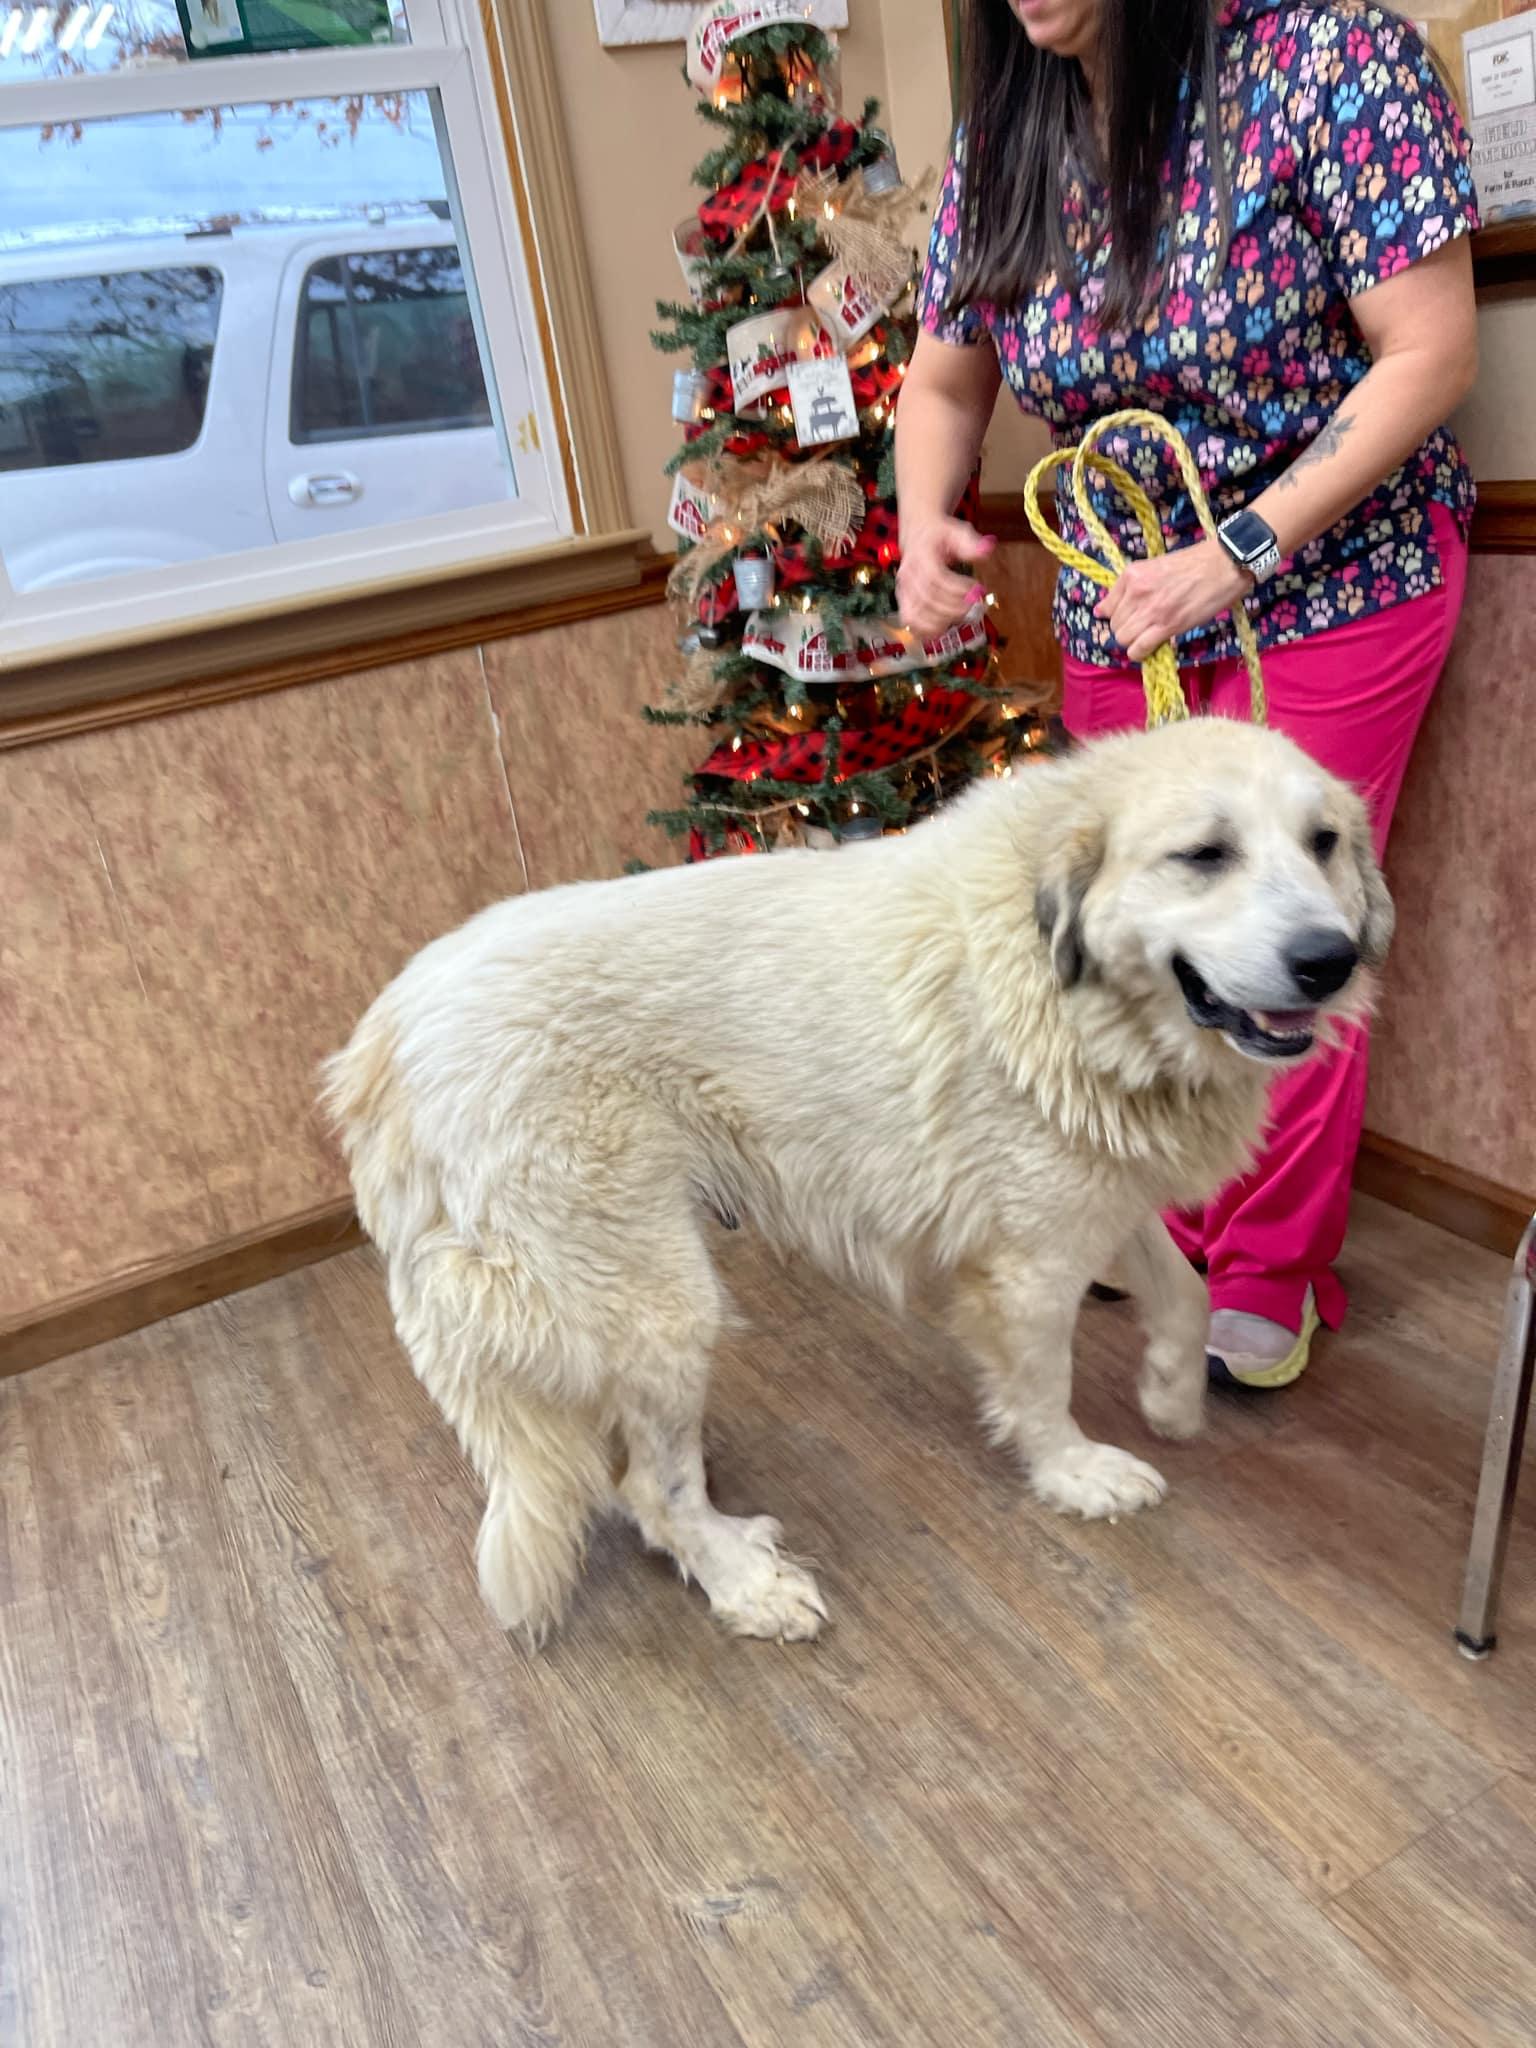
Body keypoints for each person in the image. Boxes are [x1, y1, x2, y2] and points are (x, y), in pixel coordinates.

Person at [896, 0, 1479, 1387]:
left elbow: (1430, 351)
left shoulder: (1334, 61)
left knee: (1283, 927)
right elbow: (942, 380)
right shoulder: (1007, 135)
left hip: (1334, 577)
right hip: (1130, 597)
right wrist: (922, 518)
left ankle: (1269, 1269)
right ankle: (1168, 1222)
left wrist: (1240, 552)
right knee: (1145, 930)